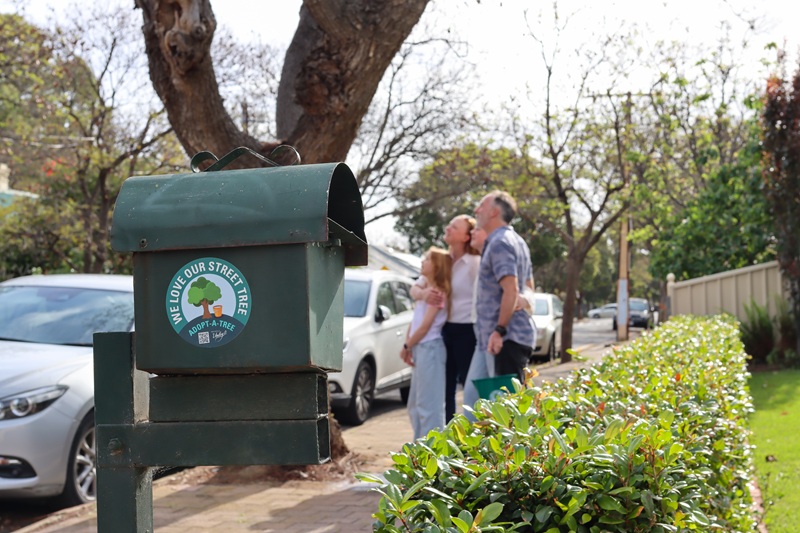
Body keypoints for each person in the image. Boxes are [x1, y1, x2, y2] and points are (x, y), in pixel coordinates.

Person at [462, 191, 535, 421]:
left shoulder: (500, 242)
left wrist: (499, 330)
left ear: (494, 211)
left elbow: (511, 288)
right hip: (493, 339)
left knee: (505, 414)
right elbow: (528, 286)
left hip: (505, 339)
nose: (477, 211)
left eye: (481, 205)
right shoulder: (515, 241)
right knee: (475, 402)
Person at [411, 215, 481, 422]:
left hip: (468, 332)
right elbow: (415, 287)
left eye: (454, 226)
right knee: (444, 389)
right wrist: (422, 294)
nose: (447, 228)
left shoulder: (475, 263)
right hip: (443, 331)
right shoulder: (442, 261)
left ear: (466, 237)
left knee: (469, 387)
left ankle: (472, 438)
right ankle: (449, 438)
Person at [401, 247, 452, 439]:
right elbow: (415, 321)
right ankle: (419, 451)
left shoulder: (437, 293)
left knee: (429, 406)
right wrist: (409, 344)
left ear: (437, 266)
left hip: (430, 348)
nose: (423, 262)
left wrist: (407, 346)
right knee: (415, 404)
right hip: (421, 348)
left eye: (428, 259)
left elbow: (424, 327)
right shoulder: (425, 288)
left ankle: (432, 455)